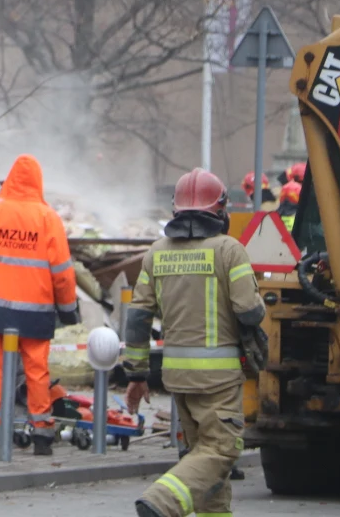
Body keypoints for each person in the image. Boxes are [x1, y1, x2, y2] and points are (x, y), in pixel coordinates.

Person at [124, 167, 264, 517]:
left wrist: (136, 375)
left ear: (176, 211)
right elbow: (249, 311)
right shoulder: (229, 250)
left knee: (205, 462)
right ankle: (161, 501)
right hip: (218, 378)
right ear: (220, 210)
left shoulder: (156, 253)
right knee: (221, 451)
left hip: (177, 377)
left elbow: (138, 319)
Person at [0, 154, 78, 456]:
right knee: (37, 371)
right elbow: (63, 272)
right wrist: (67, 309)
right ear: (38, 183)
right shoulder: (48, 218)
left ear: (11, 180)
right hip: (36, 311)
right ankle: (42, 435)